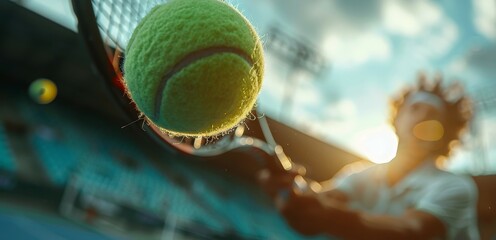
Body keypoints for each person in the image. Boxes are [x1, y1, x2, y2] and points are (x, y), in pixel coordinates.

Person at [258, 73, 479, 239]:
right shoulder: (361, 174)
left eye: (433, 116)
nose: (422, 118)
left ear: (443, 136)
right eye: (415, 109)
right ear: (397, 119)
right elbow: (322, 198)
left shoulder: (456, 187)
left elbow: (412, 230)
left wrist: (331, 217)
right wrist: (290, 189)